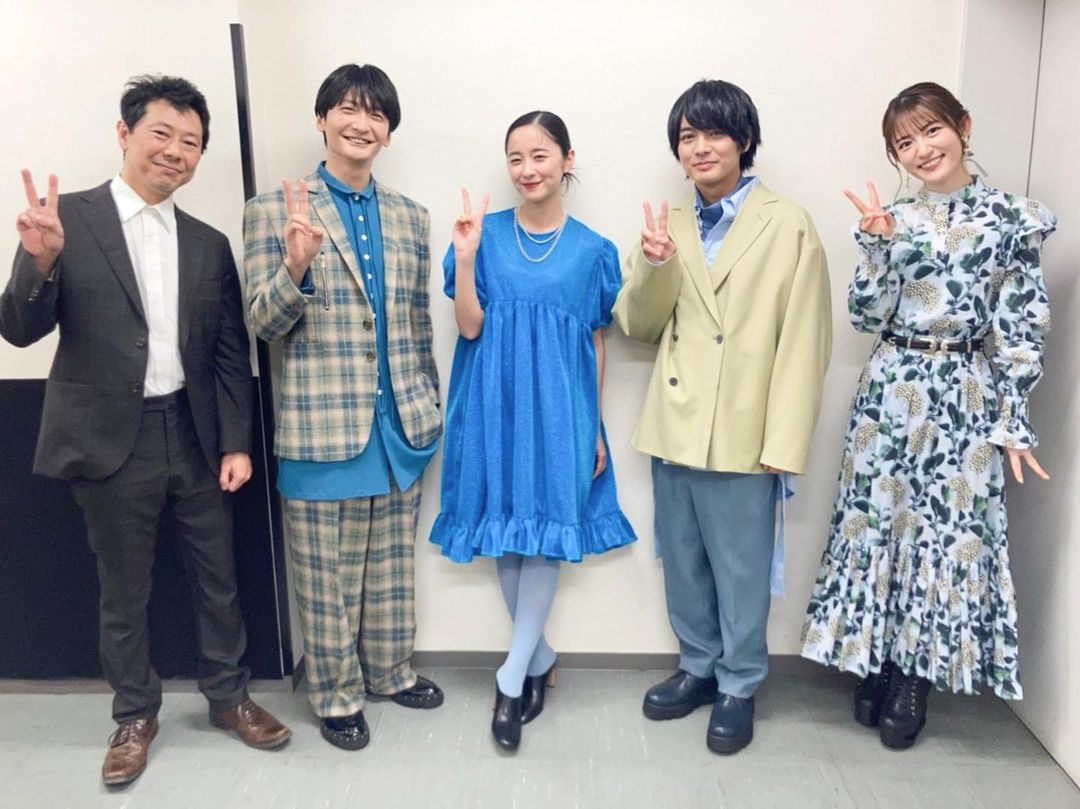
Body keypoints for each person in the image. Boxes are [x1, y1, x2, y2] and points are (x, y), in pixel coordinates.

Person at [0, 75, 291, 787]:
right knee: (123, 589)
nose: (176, 151)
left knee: (218, 576)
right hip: (109, 439)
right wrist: (40, 260)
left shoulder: (207, 242)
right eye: (162, 133)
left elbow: (229, 352)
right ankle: (134, 713)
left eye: (191, 142)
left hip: (193, 431)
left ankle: (229, 696)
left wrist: (235, 441)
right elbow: (19, 328)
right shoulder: (65, 220)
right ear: (125, 133)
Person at [801, 81, 1055, 749]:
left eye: (931, 130)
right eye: (904, 143)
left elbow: (1021, 323)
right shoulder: (892, 218)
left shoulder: (1014, 218)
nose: (921, 149)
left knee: (946, 532)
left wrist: (1013, 418)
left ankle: (916, 674)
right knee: (880, 521)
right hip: (890, 387)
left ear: (962, 126)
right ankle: (879, 658)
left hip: (964, 390)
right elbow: (865, 316)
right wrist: (878, 248)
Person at [614, 79, 832, 755]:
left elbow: (805, 341)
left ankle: (740, 682)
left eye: (714, 133)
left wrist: (784, 441)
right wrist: (655, 266)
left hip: (745, 424)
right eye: (688, 136)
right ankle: (698, 666)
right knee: (683, 559)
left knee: (741, 567)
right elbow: (638, 326)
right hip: (676, 421)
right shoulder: (669, 224)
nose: (700, 147)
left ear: (744, 140)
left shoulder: (788, 223)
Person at [243, 63, 443, 751]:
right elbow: (263, 324)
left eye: (376, 114)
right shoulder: (274, 209)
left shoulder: (412, 217)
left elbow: (416, 322)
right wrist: (295, 267)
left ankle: (389, 671)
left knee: (392, 570)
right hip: (320, 428)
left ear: (389, 131)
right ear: (322, 119)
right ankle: (335, 695)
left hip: (400, 428)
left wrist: (429, 405)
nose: (362, 123)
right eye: (348, 110)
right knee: (324, 580)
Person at [430, 110, 636, 752]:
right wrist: (467, 260)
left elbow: (596, 343)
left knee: (543, 530)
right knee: (507, 531)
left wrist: (594, 427)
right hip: (491, 403)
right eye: (516, 157)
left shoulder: (594, 251)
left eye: (540, 155)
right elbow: (469, 327)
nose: (527, 169)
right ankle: (538, 657)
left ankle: (510, 676)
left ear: (567, 160)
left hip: (561, 412)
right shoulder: (482, 235)